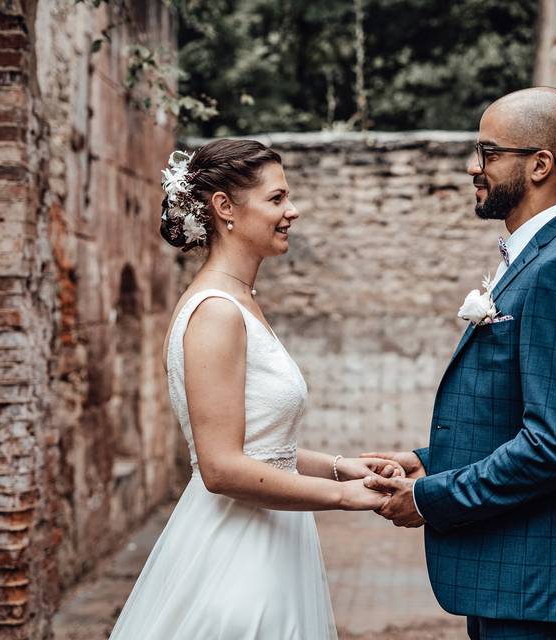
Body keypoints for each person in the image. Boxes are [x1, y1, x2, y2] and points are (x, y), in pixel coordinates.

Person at [109, 139, 400, 640]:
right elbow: (221, 467)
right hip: (235, 553)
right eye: (277, 199)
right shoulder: (217, 312)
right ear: (225, 207)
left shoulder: (240, 300)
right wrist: (342, 496)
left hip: (272, 536)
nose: (293, 211)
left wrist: (337, 464)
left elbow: (262, 446)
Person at [364, 87, 556, 640]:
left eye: (487, 152)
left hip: (535, 581)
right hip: (512, 576)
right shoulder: (535, 259)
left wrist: (431, 498)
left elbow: (553, 445)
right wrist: (429, 462)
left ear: (539, 165)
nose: (471, 167)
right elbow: (520, 420)